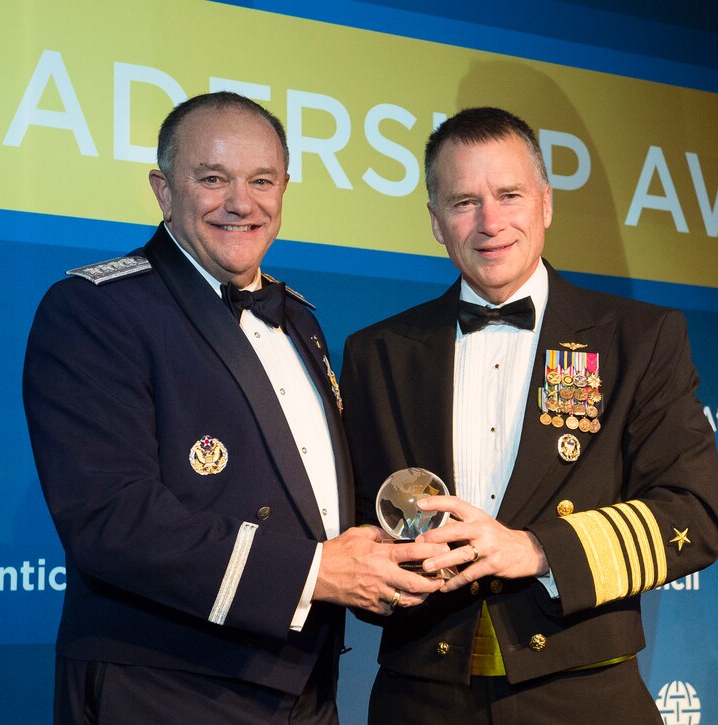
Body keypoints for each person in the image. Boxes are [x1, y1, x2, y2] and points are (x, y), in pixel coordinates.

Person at [23, 92, 443, 724]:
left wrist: (388, 560)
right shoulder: (96, 310)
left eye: (261, 180)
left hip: (304, 687)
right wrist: (316, 573)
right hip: (167, 689)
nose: (241, 202)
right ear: (163, 191)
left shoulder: (299, 318)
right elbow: (112, 523)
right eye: (213, 179)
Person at [341, 107, 718, 723]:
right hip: (421, 696)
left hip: (584, 692)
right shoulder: (375, 352)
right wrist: (391, 573)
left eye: (509, 195)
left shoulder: (640, 338)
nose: (490, 222)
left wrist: (538, 549)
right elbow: (360, 525)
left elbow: (693, 515)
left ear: (545, 203)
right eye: (464, 202)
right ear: (436, 222)